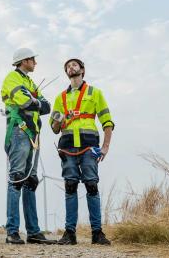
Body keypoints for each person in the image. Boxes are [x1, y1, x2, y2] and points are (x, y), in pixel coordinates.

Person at [50, 58, 114, 246]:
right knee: (70, 186)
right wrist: (58, 120)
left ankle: (97, 233)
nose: (71, 67)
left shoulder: (95, 93)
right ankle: (70, 233)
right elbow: (54, 128)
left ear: (82, 70)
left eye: (74, 65)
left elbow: (107, 122)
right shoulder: (60, 98)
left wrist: (105, 147)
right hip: (68, 147)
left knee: (91, 186)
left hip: (88, 147)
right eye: (68, 66)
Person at [1, 47, 54, 245]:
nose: (35, 63)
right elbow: (24, 102)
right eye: (33, 59)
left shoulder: (30, 82)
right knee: (16, 178)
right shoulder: (12, 78)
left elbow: (46, 106)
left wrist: (35, 102)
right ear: (24, 61)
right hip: (19, 131)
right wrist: (35, 101)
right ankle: (12, 231)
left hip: (34, 134)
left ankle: (33, 232)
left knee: (31, 181)